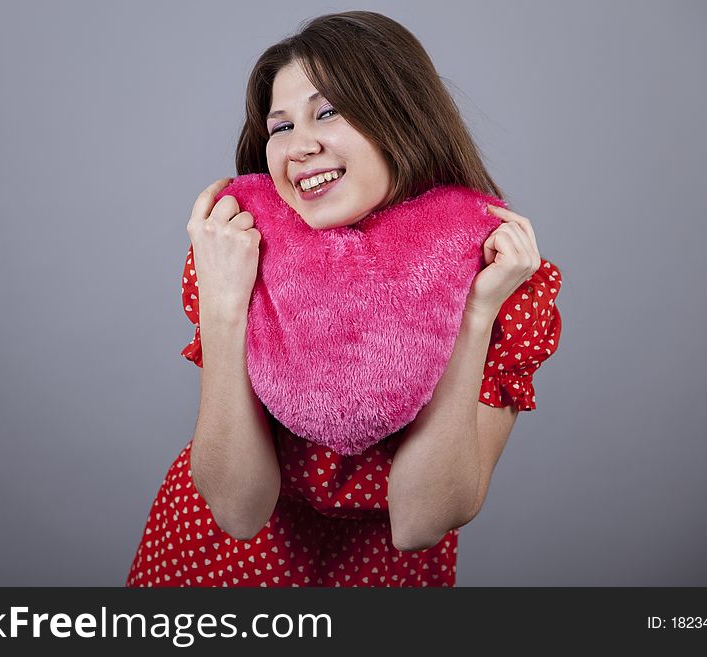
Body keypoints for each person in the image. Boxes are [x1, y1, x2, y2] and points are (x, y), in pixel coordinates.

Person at [127, 10, 562, 587]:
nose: (298, 147)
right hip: (214, 564)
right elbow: (236, 509)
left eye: (327, 112)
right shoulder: (244, 250)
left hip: (384, 571)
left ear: (401, 118)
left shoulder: (503, 277)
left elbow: (421, 521)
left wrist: (474, 315)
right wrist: (225, 304)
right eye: (279, 127)